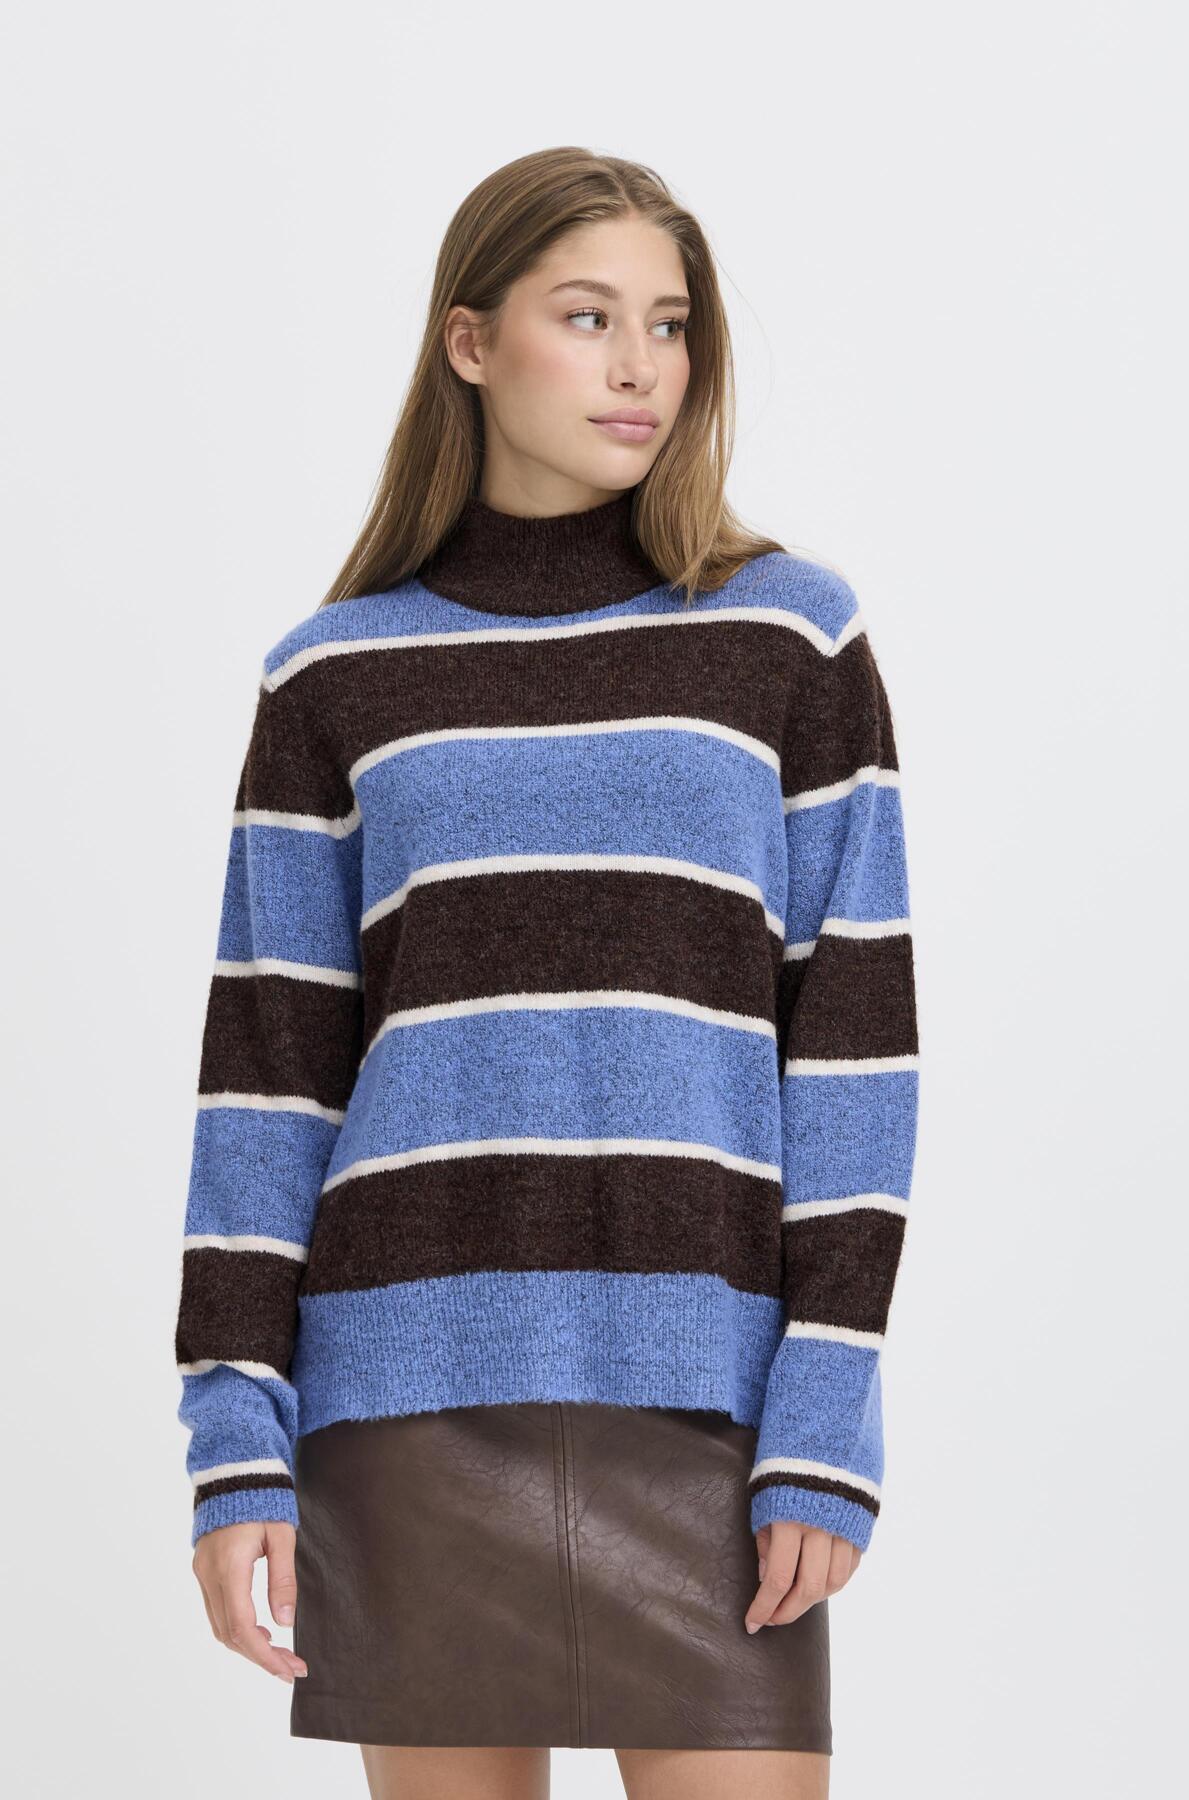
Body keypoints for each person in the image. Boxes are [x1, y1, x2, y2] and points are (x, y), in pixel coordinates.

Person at [173, 145, 920, 1800]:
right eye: (588, 317)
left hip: (712, 1404)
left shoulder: (788, 639)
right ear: (470, 342)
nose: (641, 364)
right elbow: (269, 1084)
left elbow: (855, 1051)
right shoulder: (331, 678)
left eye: (671, 322)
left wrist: (826, 1406)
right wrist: (235, 1444)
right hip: (407, 1401)